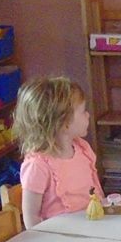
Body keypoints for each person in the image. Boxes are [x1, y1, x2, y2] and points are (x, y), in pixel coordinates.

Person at [14, 76, 105, 228]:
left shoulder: (82, 148)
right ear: (64, 123)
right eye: (83, 111)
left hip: (94, 227)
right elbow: (31, 217)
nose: (88, 115)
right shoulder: (38, 165)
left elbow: (95, 190)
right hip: (62, 238)